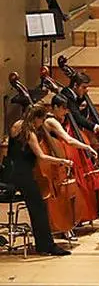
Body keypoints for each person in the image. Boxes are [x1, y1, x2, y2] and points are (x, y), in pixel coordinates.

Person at [1, 105, 73, 256]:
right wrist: (62, 161)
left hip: (9, 174)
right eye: (42, 120)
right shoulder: (30, 134)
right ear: (38, 118)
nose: (42, 123)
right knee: (39, 209)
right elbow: (42, 156)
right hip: (24, 175)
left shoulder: (16, 125)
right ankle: (46, 245)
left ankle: (43, 244)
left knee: (37, 207)